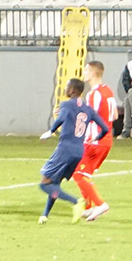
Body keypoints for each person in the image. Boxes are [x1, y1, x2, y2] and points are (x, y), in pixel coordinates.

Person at [38, 77, 110, 222]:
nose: (65, 88)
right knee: (55, 183)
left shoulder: (66, 105)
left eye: (66, 86)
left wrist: (50, 131)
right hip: (79, 151)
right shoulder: (87, 109)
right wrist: (97, 137)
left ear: (71, 90)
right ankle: (45, 215)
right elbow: (105, 128)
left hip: (65, 149)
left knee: (44, 184)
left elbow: (63, 117)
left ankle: (76, 201)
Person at [69, 60, 116, 220]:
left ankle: (99, 204)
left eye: (86, 71)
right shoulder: (108, 91)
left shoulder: (93, 94)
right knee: (84, 173)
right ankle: (89, 207)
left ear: (94, 73)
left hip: (94, 141)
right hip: (106, 140)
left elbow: (88, 117)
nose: (84, 73)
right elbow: (114, 115)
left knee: (78, 174)